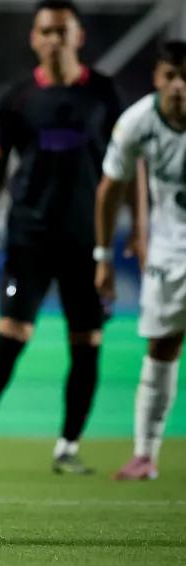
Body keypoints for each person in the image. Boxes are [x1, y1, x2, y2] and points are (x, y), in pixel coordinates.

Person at [0, 0, 122, 475]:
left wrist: (137, 230)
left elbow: (130, 167)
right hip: (30, 235)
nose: (53, 39)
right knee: (11, 335)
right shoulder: (19, 97)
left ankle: (67, 447)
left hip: (89, 238)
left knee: (87, 342)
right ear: (34, 38)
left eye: (61, 31)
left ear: (78, 36)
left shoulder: (104, 93)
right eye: (45, 31)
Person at [95, 40, 186, 481]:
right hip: (169, 253)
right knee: (162, 346)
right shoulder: (137, 122)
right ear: (157, 78)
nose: (179, 87)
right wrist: (103, 256)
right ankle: (145, 454)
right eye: (171, 76)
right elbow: (111, 188)